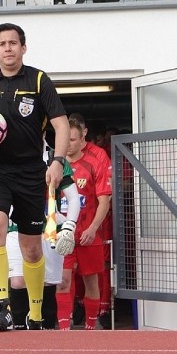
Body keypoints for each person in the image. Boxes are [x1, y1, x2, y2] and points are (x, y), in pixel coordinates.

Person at [0, 22, 68, 331]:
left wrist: (58, 161)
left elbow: (61, 124)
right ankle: (2, 305)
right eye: (2, 43)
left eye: (13, 43)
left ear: (23, 47)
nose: (8, 48)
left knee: (32, 248)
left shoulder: (38, 80)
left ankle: (35, 314)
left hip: (30, 172)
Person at [7, 154, 80, 330]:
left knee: (47, 283)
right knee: (18, 281)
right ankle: (19, 330)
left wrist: (69, 225)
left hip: (49, 228)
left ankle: (45, 331)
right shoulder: (8, 153)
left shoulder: (56, 158)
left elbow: (73, 197)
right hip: (16, 227)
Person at [57, 115, 111, 330]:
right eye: (65, 139)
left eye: (72, 140)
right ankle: (63, 328)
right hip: (63, 234)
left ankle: (90, 327)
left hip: (88, 234)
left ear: (82, 140)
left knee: (91, 281)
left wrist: (93, 228)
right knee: (63, 280)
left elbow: (104, 201)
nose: (68, 144)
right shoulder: (55, 167)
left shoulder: (93, 163)